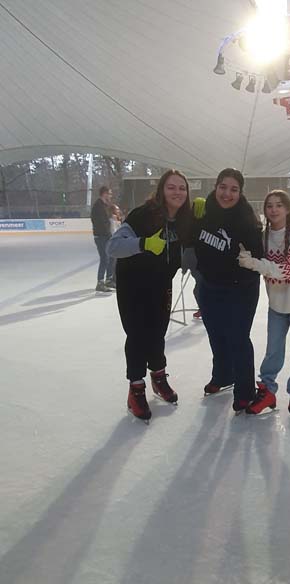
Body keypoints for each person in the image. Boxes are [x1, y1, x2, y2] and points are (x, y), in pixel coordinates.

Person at [107, 169, 192, 422]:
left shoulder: (186, 221)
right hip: (134, 285)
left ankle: (158, 378)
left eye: (182, 188)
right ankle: (136, 389)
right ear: (161, 190)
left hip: (161, 285)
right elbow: (113, 247)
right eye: (171, 187)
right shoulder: (142, 216)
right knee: (137, 336)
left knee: (157, 333)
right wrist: (143, 243)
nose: (177, 192)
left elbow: (191, 251)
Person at [238, 190, 290, 416]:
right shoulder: (262, 236)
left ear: (288, 209)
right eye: (269, 205)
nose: (273, 209)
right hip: (277, 305)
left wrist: (254, 264)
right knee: (273, 352)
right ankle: (268, 391)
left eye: (279, 205)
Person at [192, 168, 264, 413]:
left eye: (234, 189)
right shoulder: (203, 211)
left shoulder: (247, 220)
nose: (227, 193)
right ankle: (223, 375)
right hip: (209, 286)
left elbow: (259, 259)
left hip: (240, 290)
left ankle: (245, 391)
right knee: (216, 334)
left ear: (240, 192)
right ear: (216, 186)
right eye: (223, 187)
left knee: (238, 338)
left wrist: (249, 261)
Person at [91, 186, 116, 292]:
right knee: (104, 258)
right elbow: (100, 222)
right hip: (101, 236)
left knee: (112, 257)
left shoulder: (105, 205)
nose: (110, 196)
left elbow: (108, 220)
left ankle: (109, 279)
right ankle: (100, 282)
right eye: (109, 194)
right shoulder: (98, 206)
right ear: (104, 193)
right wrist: (108, 232)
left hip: (107, 235)